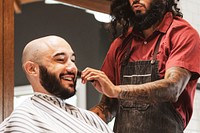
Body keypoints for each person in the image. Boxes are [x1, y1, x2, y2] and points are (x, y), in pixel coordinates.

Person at [81, 0, 200, 132]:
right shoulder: (121, 44)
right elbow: (107, 107)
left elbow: (172, 88)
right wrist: (70, 118)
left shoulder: (182, 34)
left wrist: (117, 91)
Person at [0, 35, 113, 133]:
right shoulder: (22, 121)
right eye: (60, 60)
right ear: (32, 69)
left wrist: (113, 92)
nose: (73, 67)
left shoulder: (89, 119)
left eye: (73, 60)